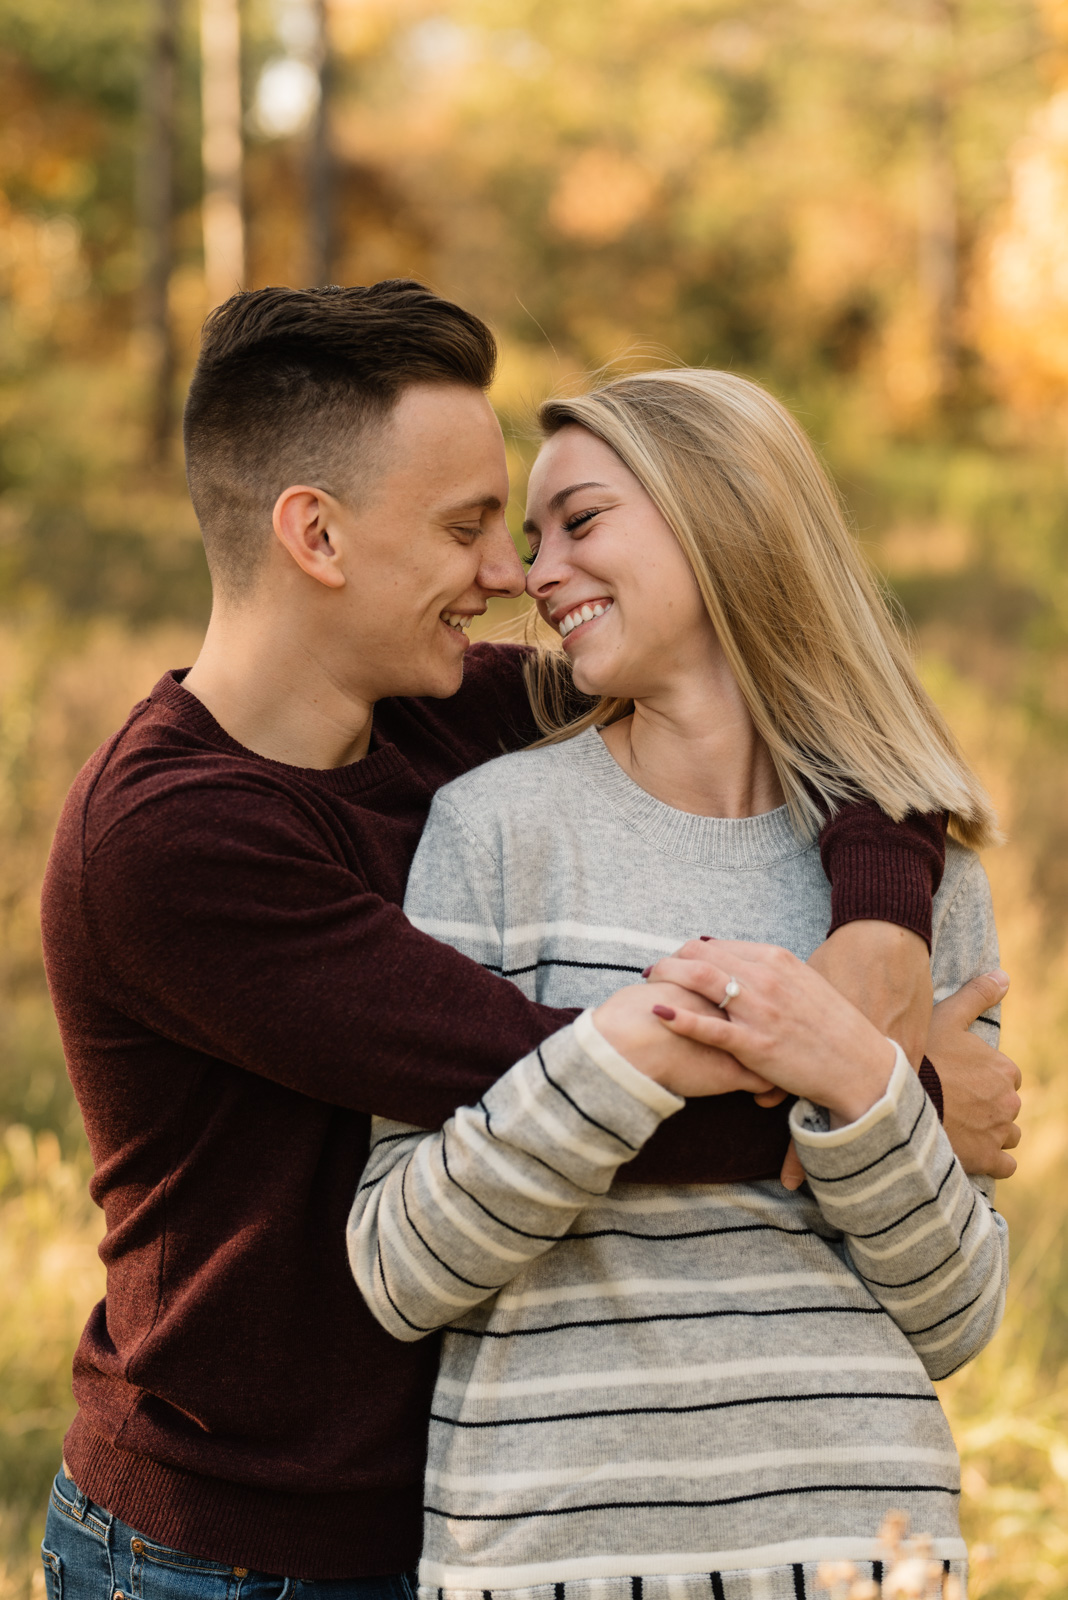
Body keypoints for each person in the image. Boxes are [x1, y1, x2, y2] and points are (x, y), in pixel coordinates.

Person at [39, 285, 1018, 1600]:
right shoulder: (171, 845)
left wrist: (889, 915)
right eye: (468, 528)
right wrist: (899, 1101)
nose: (511, 578)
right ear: (314, 534)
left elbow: (786, 683)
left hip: (478, 1514)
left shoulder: (450, 710)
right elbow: (545, 1069)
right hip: (234, 1543)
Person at [348, 368, 1011, 1600]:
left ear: (727, 515)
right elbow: (399, 1266)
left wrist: (861, 1087)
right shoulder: (496, 829)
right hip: (552, 1567)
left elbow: (959, 1312)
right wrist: (630, 1052)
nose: (537, 573)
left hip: (861, 1562)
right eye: (532, 538)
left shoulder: (920, 875)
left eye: (580, 522)